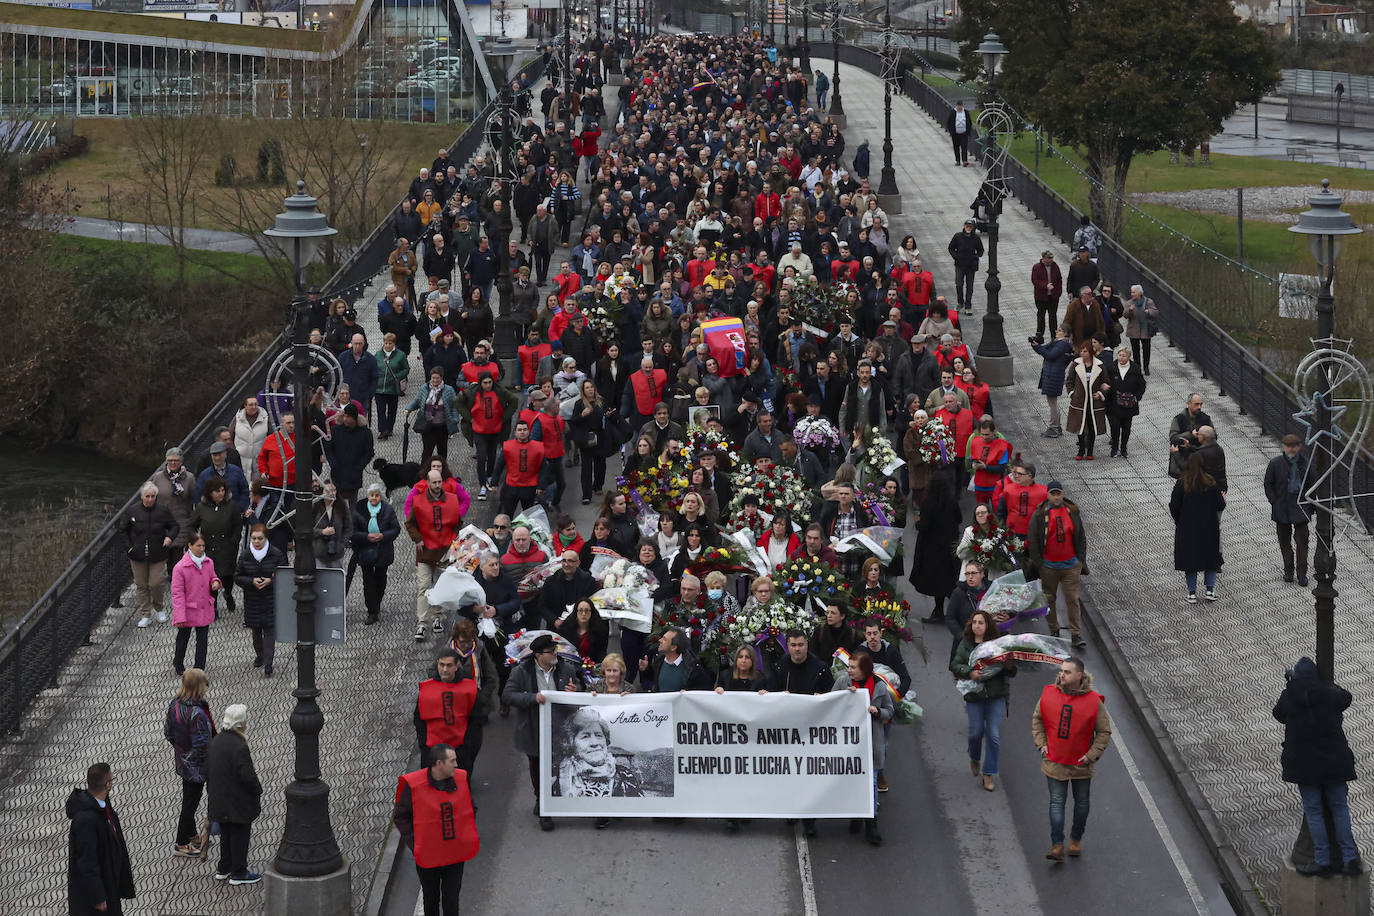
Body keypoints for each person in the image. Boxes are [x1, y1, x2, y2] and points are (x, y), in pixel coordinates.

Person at [1273, 656, 1363, 877]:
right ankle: (1350, 858)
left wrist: (1291, 685)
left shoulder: (1290, 696)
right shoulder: (1329, 695)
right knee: (1340, 809)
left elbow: (1278, 714)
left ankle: (1322, 862)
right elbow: (1346, 697)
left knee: (1314, 812)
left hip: (1305, 767)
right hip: (1334, 764)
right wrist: (1327, 684)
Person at [1033, 657, 1112, 862]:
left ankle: (1075, 839)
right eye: (1061, 671)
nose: (1062, 675)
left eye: (1067, 672)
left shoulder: (1094, 701)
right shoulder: (1049, 693)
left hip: (1081, 765)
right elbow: (1037, 719)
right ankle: (1057, 845)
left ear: (1079, 675)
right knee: (1056, 803)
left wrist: (1091, 756)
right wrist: (1042, 743)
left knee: (1082, 803)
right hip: (1054, 762)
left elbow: (1104, 731)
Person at [501, 633, 581, 831]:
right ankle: (543, 804)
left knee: (558, 767)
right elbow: (508, 695)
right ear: (538, 655)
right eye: (550, 651)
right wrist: (532, 698)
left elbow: (580, 688)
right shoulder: (521, 672)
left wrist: (575, 691)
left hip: (560, 729)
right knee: (537, 768)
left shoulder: (566, 669)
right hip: (533, 728)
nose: (555, 653)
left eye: (555, 650)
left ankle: (552, 800)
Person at [393, 743, 480, 916]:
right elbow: (401, 816)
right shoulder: (414, 786)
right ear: (439, 764)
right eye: (452, 761)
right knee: (431, 899)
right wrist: (415, 843)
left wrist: (463, 834)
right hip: (428, 856)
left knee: (451, 900)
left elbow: (471, 808)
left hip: (454, 855)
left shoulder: (460, 779)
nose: (456, 764)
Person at [833, 649, 892, 846]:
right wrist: (845, 698)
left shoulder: (880, 686)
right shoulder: (843, 682)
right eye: (849, 667)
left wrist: (878, 712)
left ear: (864, 669)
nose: (849, 671)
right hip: (849, 743)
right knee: (852, 781)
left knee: (871, 783)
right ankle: (856, 814)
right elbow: (830, 704)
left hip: (871, 743)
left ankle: (871, 824)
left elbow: (890, 711)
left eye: (853, 668)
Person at [951, 610, 1015, 793]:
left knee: (993, 735)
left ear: (988, 626)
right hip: (975, 696)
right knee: (976, 732)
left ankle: (988, 773)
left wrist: (1009, 665)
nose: (977, 626)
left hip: (996, 695)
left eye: (981, 623)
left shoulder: (998, 644)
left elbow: (1012, 672)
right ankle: (974, 756)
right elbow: (955, 665)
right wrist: (969, 672)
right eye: (974, 622)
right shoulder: (965, 644)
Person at [66, 762, 135, 915]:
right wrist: (98, 897)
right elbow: (87, 861)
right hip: (95, 898)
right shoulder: (86, 820)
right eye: (112, 779)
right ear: (107, 785)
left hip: (108, 884)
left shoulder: (101, 805)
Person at [205, 703, 263, 885]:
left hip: (218, 797)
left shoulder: (216, 741)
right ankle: (239, 872)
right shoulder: (239, 746)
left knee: (226, 832)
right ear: (241, 724)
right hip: (236, 800)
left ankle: (224, 868)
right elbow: (247, 775)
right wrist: (257, 789)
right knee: (239, 833)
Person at [1027, 481, 1089, 650]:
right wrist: (1040, 564)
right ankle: (1054, 629)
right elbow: (1033, 540)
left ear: (1062, 494)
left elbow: (1081, 536)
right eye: (1052, 494)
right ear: (1047, 495)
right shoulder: (1040, 514)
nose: (1056, 497)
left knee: (1072, 599)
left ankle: (1076, 634)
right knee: (1049, 599)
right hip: (1049, 567)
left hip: (1071, 566)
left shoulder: (1072, 511)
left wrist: (1080, 560)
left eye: (1058, 493)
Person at [407, 470, 466, 642]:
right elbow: (410, 524)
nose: (437, 485)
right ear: (428, 483)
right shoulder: (418, 501)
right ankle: (422, 622)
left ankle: (437, 617)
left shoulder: (452, 500)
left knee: (440, 586)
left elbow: (458, 523)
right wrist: (417, 539)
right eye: (434, 482)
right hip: (425, 553)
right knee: (423, 587)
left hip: (444, 552)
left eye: (439, 482)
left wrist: (454, 541)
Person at [164, 668, 215, 858]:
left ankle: (192, 835)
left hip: (183, 761)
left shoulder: (175, 704)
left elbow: (168, 732)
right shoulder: (197, 713)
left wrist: (181, 749)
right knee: (190, 804)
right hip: (196, 767)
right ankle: (181, 843)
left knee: (189, 798)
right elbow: (203, 746)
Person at [1169, 452, 1226, 604]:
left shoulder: (1182, 484)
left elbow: (1174, 506)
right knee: (1210, 559)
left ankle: (1192, 593)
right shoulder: (1211, 483)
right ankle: (1210, 590)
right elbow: (1220, 505)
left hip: (1188, 529)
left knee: (1190, 560)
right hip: (1209, 527)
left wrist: (1179, 521)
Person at [552, 706, 644, 798]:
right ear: (572, 743)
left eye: (599, 735)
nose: (594, 743)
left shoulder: (625, 776)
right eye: (585, 736)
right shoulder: (556, 777)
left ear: (606, 740)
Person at [416, 648, 481, 774]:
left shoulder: (470, 689)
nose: (445, 669)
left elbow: (476, 719)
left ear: (456, 666)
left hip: (460, 749)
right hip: (433, 749)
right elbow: (418, 720)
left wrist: (468, 747)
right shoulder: (426, 689)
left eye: (449, 665)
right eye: (441, 665)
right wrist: (424, 745)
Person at [124, 481, 179, 629]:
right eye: (147, 496)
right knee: (141, 584)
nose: (150, 499)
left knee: (156, 583)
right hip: (137, 554)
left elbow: (174, 526)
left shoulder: (162, 511)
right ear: (142, 496)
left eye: (153, 496)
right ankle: (145, 614)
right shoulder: (132, 510)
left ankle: (159, 608)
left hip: (158, 553)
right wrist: (129, 548)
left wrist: (169, 537)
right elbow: (123, 530)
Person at [912, 475, 962, 624]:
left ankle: (940, 611)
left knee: (936, 581)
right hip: (949, 547)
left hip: (932, 549)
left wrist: (917, 521)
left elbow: (924, 525)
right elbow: (959, 518)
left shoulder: (929, 502)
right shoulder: (952, 501)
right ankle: (954, 610)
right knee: (949, 579)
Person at [189, 476, 242, 615]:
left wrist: (234, 540)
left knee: (227, 576)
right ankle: (213, 605)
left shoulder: (231, 506)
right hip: (209, 548)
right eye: (217, 491)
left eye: (222, 490)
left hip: (227, 547)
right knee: (210, 578)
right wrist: (196, 541)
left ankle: (228, 593)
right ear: (210, 492)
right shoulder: (201, 507)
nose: (220, 493)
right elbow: (191, 526)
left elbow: (238, 525)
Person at [1264, 434, 1311, 586]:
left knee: (1302, 543)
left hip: (1301, 507)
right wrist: (1274, 501)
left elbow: (1312, 484)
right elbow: (1268, 483)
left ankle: (1302, 573)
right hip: (1282, 508)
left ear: (1299, 447)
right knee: (1284, 542)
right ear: (1284, 447)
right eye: (1289, 446)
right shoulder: (1276, 463)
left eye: (1294, 446)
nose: (1292, 449)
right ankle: (1288, 570)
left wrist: (1310, 505)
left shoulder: (1305, 464)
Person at [171, 532, 220, 676]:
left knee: (202, 640)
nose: (202, 549)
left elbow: (213, 576)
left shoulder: (208, 562)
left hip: (204, 608)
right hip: (188, 610)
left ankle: (199, 667)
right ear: (190, 546)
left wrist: (215, 582)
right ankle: (178, 663)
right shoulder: (180, 568)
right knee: (183, 638)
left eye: (203, 546)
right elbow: (177, 594)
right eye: (198, 546)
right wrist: (180, 616)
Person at [352, 483, 401, 625]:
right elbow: (353, 532)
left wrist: (383, 536)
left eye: (377, 495)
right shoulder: (359, 509)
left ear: (381, 497)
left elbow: (396, 529)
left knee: (380, 579)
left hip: (383, 550)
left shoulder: (388, 510)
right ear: (368, 496)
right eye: (371, 495)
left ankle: (377, 603)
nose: (374, 498)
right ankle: (372, 611)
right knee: (368, 582)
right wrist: (366, 537)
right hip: (365, 550)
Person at [407, 368, 462, 467]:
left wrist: (455, 419)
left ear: (442, 378)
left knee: (442, 451)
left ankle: (442, 470)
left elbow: (454, 406)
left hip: (442, 426)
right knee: (427, 451)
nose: (435, 380)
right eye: (433, 378)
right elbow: (417, 400)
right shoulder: (424, 388)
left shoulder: (449, 390)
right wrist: (409, 408)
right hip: (428, 426)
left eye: (437, 378)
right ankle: (424, 472)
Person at [1100, 344, 1145, 458]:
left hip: (1129, 404)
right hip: (1113, 403)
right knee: (1115, 426)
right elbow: (1105, 381)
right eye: (1119, 355)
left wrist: (1136, 397)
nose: (1121, 358)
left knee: (1126, 427)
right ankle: (1114, 448)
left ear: (1129, 357)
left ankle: (1124, 448)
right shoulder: (1111, 368)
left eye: (1124, 356)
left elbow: (1142, 385)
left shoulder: (1135, 369)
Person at [1065, 342, 1107, 461]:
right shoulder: (1076, 364)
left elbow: (1106, 382)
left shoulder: (1099, 366)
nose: (1082, 354)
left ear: (1090, 353)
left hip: (1094, 403)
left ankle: (1090, 451)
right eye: (1081, 351)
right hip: (1080, 402)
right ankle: (1081, 450)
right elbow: (1069, 381)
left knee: (1092, 426)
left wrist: (1100, 393)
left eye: (1085, 351)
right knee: (1080, 426)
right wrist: (1072, 394)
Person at [1030, 326, 1073, 438]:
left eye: (1059, 330)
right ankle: (1057, 426)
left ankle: (1054, 427)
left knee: (1052, 402)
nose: (1056, 331)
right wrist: (1035, 345)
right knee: (1053, 402)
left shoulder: (1062, 344)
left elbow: (1050, 355)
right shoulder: (1057, 342)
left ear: (1065, 333)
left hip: (1054, 376)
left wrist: (1038, 347)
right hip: (1051, 375)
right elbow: (1043, 349)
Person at [641, 626, 713, 692]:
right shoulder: (659, 660)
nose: (660, 640)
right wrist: (645, 669)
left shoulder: (692, 667)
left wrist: (687, 693)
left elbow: (703, 689)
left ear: (673, 647)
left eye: (665, 639)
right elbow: (655, 679)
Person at [1167, 392, 1212, 479]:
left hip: (1200, 462)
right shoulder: (1179, 419)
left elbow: (1213, 437)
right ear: (1189, 404)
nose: (1199, 407)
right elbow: (1173, 438)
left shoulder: (1206, 419)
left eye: (1201, 404)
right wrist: (1190, 435)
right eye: (1196, 404)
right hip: (1182, 462)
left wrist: (1203, 434)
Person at [557, 598, 610, 664]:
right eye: (580, 610)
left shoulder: (600, 630)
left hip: (591, 666)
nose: (584, 614)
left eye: (587, 611)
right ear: (576, 612)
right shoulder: (565, 628)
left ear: (591, 612)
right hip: (569, 665)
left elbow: (601, 653)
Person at [947, 219, 984, 314]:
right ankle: (960, 303)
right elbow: (951, 248)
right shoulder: (957, 236)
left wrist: (976, 257)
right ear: (964, 226)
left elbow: (981, 250)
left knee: (970, 286)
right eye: (967, 226)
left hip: (971, 266)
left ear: (973, 228)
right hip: (960, 265)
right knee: (959, 284)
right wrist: (956, 256)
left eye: (970, 226)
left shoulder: (976, 238)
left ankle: (968, 306)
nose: (968, 228)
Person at [1123, 284, 1159, 375]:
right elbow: (1125, 315)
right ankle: (1137, 368)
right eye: (1131, 292)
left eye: (1134, 292)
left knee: (1146, 350)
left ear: (1139, 293)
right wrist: (1130, 310)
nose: (1132, 294)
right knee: (1135, 351)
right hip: (1133, 330)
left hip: (1145, 330)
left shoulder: (1148, 301)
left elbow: (1155, 312)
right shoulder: (1129, 302)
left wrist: (1149, 311)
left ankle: (1146, 367)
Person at [1030, 250, 1063, 338]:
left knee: (1053, 317)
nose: (1051, 260)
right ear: (1043, 258)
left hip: (1053, 297)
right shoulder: (1037, 267)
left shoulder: (1055, 266)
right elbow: (1035, 281)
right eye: (1049, 258)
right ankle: (1040, 335)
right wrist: (1045, 286)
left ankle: (1054, 336)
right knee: (1041, 316)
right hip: (1041, 297)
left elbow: (1059, 280)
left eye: (1051, 258)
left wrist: (1058, 292)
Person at [944, 99, 975, 167]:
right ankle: (957, 160)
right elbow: (949, 122)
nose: (960, 107)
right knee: (956, 147)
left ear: (962, 106)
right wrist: (951, 131)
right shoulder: (953, 112)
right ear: (957, 106)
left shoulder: (966, 112)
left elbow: (969, 122)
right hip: (955, 133)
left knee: (964, 147)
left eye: (961, 106)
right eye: (958, 106)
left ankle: (964, 161)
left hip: (964, 133)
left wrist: (968, 130)